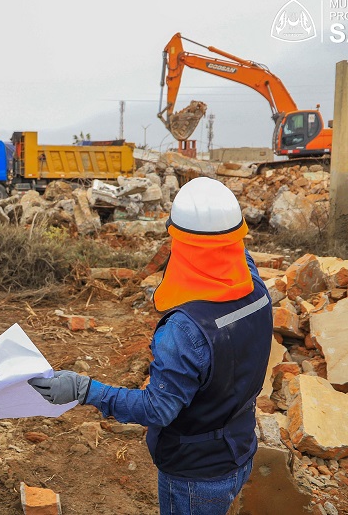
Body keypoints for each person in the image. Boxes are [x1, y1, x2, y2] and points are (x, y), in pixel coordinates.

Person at [29, 176, 272, 515]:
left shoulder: (185, 331)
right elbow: (236, 252)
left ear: (178, 241)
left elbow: (158, 409)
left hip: (194, 475)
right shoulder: (258, 292)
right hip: (240, 451)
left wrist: (84, 390)